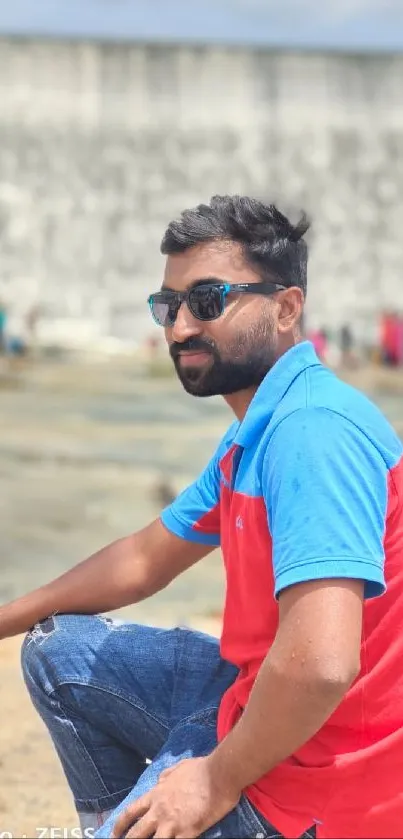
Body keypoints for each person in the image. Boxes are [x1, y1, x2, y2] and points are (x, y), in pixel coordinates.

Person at [1, 196, 403, 839]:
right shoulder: (259, 427)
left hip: (321, 784)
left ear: (286, 307)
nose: (181, 326)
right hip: (255, 704)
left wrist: (215, 781)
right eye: (168, 306)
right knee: (58, 650)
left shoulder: (311, 432)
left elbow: (322, 664)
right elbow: (141, 561)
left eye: (208, 300)